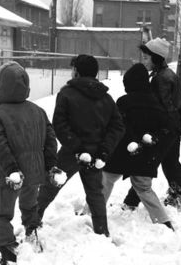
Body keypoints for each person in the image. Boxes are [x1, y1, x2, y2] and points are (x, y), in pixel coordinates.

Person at [37, 54, 125, 237]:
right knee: (95, 193)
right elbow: (117, 127)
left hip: (71, 152)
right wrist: (103, 150)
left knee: (50, 185)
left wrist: (77, 147)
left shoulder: (66, 94)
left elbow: (60, 125)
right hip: (95, 154)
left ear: (76, 72)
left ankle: (33, 220)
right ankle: (102, 231)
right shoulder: (106, 98)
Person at [0, 61, 60, 265]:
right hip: (35, 172)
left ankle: (7, 247)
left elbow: (0, 146)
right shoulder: (38, 110)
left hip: (12, 175)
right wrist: (49, 165)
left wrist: (11, 169)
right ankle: (32, 230)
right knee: (30, 205)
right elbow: (51, 140)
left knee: (2, 213)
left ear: (1, 85)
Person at [93, 63, 175, 230]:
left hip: (122, 152)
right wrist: (153, 142)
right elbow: (167, 128)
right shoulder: (157, 103)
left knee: (106, 180)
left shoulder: (124, 102)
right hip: (146, 154)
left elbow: (118, 126)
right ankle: (164, 222)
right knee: (144, 188)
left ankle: (92, 213)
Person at [122, 38, 181, 211]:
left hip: (165, 129)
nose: (144, 61)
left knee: (148, 163)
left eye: (146, 58)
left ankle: (131, 202)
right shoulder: (168, 75)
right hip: (172, 127)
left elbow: (160, 107)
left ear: (157, 58)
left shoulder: (160, 79)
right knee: (170, 164)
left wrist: (158, 128)